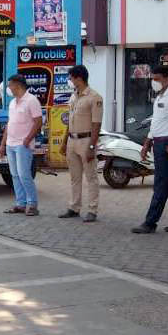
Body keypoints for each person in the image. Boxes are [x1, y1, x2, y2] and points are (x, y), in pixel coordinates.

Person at [132, 65, 168, 233]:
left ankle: (150, 222)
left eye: (157, 79)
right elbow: (156, 123)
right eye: (152, 79)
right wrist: (147, 142)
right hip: (158, 143)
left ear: (167, 78)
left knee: (160, 184)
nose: (154, 82)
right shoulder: (160, 97)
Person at [59, 65, 103, 223]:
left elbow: (96, 124)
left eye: (71, 78)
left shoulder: (94, 97)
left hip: (86, 140)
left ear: (79, 78)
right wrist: (64, 142)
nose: (69, 81)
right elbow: (69, 122)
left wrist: (92, 146)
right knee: (74, 177)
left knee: (91, 177)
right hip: (72, 139)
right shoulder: (73, 96)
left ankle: (92, 209)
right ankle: (74, 207)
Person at [0, 74, 43, 216]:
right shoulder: (12, 103)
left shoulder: (31, 100)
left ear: (17, 85)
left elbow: (38, 122)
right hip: (11, 143)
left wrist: (28, 139)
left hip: (23, 144)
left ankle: (32, 204)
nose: (8, 88)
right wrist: (2, 145)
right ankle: (20, 203)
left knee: (24, 174)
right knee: (15, 175)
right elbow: (9, 124)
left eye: (10, 85)